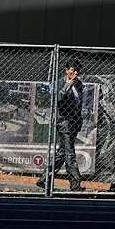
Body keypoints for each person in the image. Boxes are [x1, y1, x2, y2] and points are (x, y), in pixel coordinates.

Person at [37, 59, 85, 192]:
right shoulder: (60, 83)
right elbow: (58, 99)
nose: (74, 73)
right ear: (66, 70)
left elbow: (79, 104)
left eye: (77, 71)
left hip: (74, 122)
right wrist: (68, 85)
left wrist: (79, 121)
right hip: (64, 122)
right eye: (72, 70)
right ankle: (75, 185)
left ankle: (44, 179)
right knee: (70, 154)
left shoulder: (79, 84)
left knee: (62, 152)